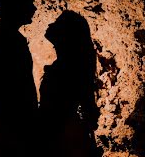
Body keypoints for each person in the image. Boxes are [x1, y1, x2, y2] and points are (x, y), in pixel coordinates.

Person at [0, 0, 39, 157]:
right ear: (15, 5)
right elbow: (18, 91)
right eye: (28, 2)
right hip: (14, 132)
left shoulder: (2, 37)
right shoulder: (10, 41)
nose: (34, 8)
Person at [38, 10, 102, 157]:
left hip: (62, 137)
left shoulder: (67, 68)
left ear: (67, 35)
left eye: (57, 23)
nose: (50, 25)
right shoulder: (71, 65)